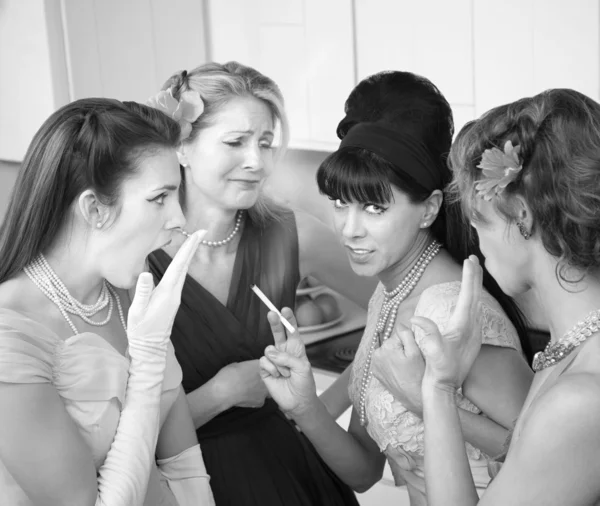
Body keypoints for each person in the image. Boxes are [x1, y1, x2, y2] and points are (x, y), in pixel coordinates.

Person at [258, 70, 534, 506]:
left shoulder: (456, 312)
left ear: (428, 209)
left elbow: (542, 457)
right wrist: (306, 406)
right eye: (339, 203)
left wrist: (426, 399)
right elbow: (364, 470)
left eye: (373, 207)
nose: (350, 230)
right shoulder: (388, 296)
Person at [146, 62, 369, 506]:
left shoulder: (292, 233)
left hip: (298, 477)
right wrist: (220, 394)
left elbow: (394, 306)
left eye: (265, 143)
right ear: (182, 147)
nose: (257, 161)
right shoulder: (136, 258)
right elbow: (114, 440)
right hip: (191, 488)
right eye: (236, 142)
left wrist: (315, 406)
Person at [0, 98, 214, 505]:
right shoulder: (9, 335)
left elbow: (183, 463)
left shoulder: (131, 296)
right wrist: (147, 363)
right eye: (159, 198)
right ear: (94, 208)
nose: (179, 219)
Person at [403, 88, 600, 505]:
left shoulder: (578, 399)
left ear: (522, 214)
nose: (477, 243)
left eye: (481, 222)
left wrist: (438, 387)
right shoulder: (571, 351)